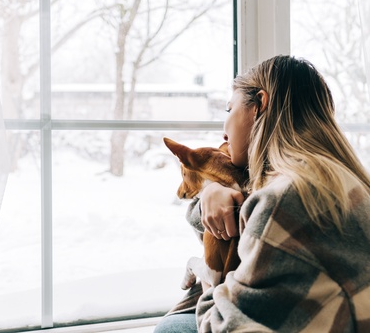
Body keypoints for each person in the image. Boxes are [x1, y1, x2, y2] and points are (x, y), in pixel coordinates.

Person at [154, 55, 370, 333]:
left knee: (172, 329)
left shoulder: (285, 199)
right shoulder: (340, 180)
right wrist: (212, 190)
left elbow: (224, 324)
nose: (223, 133)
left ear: (260, 104)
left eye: (228, 109)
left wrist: (208, 284)